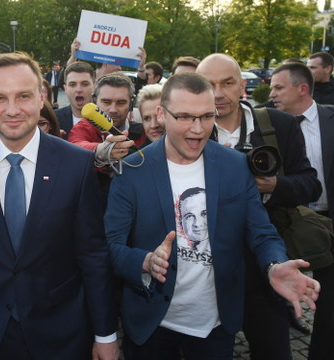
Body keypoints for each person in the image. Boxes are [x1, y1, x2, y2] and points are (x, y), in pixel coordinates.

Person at [105, 72, 319, 359]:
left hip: (215, 325)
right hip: (150, 322)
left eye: (206, 117)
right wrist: (143, 261)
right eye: (184, 117)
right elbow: (110, 246)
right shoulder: (132, 170)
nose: (197, 129)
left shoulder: (235, 166)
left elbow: (261, 232)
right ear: (161, 114)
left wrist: (274, 265)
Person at [0, 52, 118, 360]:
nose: (12, 110)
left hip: (62, 331)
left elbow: (93, 254)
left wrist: (105, 333)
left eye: (23, 96)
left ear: (41, 97)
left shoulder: (76, 163)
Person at [197, 54, 322, 359]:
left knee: (272, 348)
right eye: (209, 85)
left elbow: (310, 184)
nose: (219, 93)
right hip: (206, 270)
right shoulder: (191, 131)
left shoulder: (278, 125)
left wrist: (274, 185)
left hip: (266, 266)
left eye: (227, 83)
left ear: (243, 85)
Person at [269, 62, 334, 360]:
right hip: (285, 226)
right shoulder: (267, 123)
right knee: (275, 298)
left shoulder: (330, 118)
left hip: (328, 224)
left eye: (278, 87)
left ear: (302, 89)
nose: (272, 94)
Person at [68, 73, 142, 203]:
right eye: (106, 102)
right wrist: (99, 150)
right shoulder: (83, 127)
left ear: (131, 103)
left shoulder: (142, 130)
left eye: (121, 103)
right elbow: (74, 146)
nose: (113, 109)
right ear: (94, 100)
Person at [55, 61, 95, 136]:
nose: (78, 89)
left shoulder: (107, 118)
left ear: (94, 86)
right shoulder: (54, 119)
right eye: (72, 85)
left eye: (85, 84)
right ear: (65, 88)